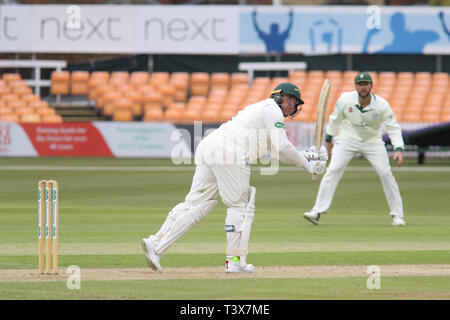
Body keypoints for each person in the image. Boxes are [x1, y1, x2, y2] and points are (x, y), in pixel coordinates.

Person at [141, 82, 328, 273]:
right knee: (242, 206)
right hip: (230, 153)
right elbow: (281, 146)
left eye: (295, 103)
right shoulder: (272, 110)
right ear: (278, 97)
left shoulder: (262, 110)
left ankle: (155, 243)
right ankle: (235, 260)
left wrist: (307, 156)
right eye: (289, 100)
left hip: (210, 147)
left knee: (196, 203)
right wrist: (307, 165)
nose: (291, 106)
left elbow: (277, 150)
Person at [304, 72, 406, 227]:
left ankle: (397, 216)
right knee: (333, 170)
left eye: (366, 84)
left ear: (371, 86)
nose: (363, 87)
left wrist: (398, 148)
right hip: (347, 139)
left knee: (386, 173)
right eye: (360, 84)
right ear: (356, 86)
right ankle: (316, 211)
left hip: (372, 141)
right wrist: (329, 140)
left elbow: (393, 127)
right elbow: (335, 120)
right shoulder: (345, 100)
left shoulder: (382, 105)